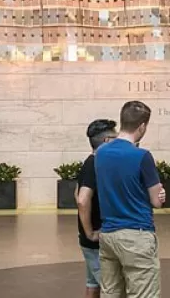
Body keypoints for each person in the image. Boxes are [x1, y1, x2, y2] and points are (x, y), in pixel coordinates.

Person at [79, 101, 165, 298]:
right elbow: (156, 201)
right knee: (143, 293)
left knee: (110, 292)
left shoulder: (100, 154)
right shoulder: (142, 156)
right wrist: (159, 195)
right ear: (142, 126)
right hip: (137, 234)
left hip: (108, 234)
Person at [76, 119, 119, 298]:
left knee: (92, 283)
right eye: (116, 139)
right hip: (95, 241)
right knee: (111, 289)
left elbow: (77, 193)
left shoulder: (90, 163)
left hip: (92, 240)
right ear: (107, 141)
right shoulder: (94, 164)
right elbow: (82, 200)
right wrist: (90, 233)